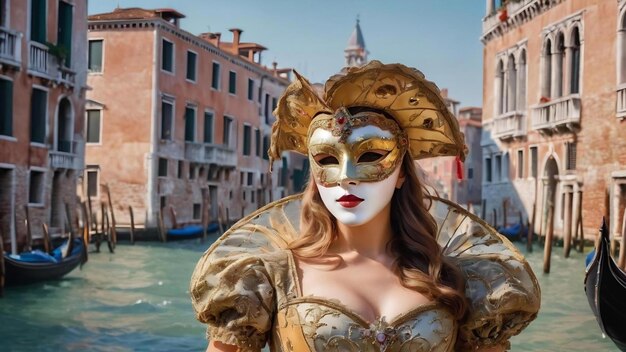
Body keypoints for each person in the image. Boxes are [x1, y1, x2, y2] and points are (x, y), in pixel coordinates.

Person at [190, 61, 540, 352]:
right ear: (313, 172)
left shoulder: (458, 278)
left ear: (402, 173)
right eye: (327, 159)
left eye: (371, 156)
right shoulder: (268, 278)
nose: (346, 178)